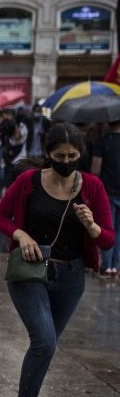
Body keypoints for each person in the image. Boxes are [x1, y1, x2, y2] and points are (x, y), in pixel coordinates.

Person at [0, 123, 115, 397]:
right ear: (48, 154)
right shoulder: (28, 182)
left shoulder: (92, 187)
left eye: (73, 155)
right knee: (44, 340)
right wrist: (21, 235)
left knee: (48, 344)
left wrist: (92, 226)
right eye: (60, 155)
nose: (67, 161)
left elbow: (108, 241)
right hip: (30, 271)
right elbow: (0, 217)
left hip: (71, 276)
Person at [91, 119, 120, 278]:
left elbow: (95, 169)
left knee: (108, 229)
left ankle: (106, 266)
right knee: (119, 231)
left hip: (107, 192)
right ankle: (115, 267)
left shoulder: (103, 141)